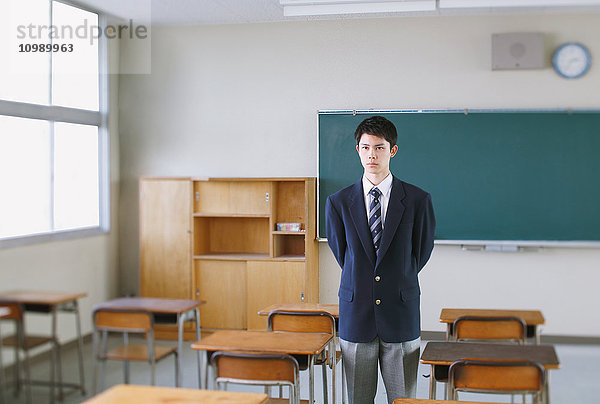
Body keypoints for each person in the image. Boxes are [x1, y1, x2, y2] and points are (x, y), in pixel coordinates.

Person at [325, 115, 436, 404]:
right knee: (357, 399)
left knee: (403, 399)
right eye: (365, 147)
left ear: (392, 151)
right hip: (356, 312)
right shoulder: (338, 202)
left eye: (379, 147)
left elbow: (420, 253)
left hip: (400, 312)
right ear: (357, 150)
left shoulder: (417, 200)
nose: (371, 154)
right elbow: (342, 253)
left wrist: (395, 277)